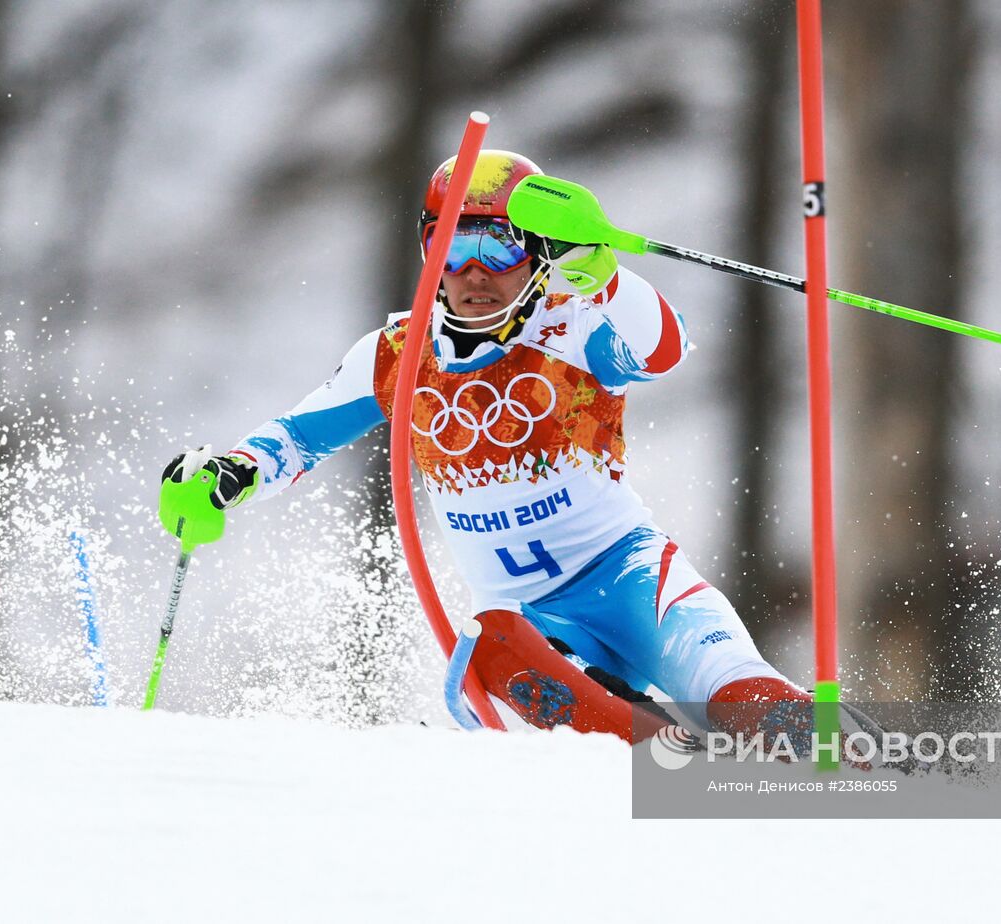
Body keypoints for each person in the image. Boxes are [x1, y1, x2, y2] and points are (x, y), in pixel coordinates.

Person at [160, 150, 828, 745]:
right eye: (450, 251)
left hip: (633, 578)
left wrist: (605, 274)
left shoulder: (575, 325)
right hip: (530, 626)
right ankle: (671, 762)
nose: (473, 274)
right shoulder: (396, 357)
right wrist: (230, 473)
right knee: (492, 648)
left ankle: (868, 780)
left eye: (498, 251)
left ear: (537, 257)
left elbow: (664, 348)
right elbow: (299, 438)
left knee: (740, 691)